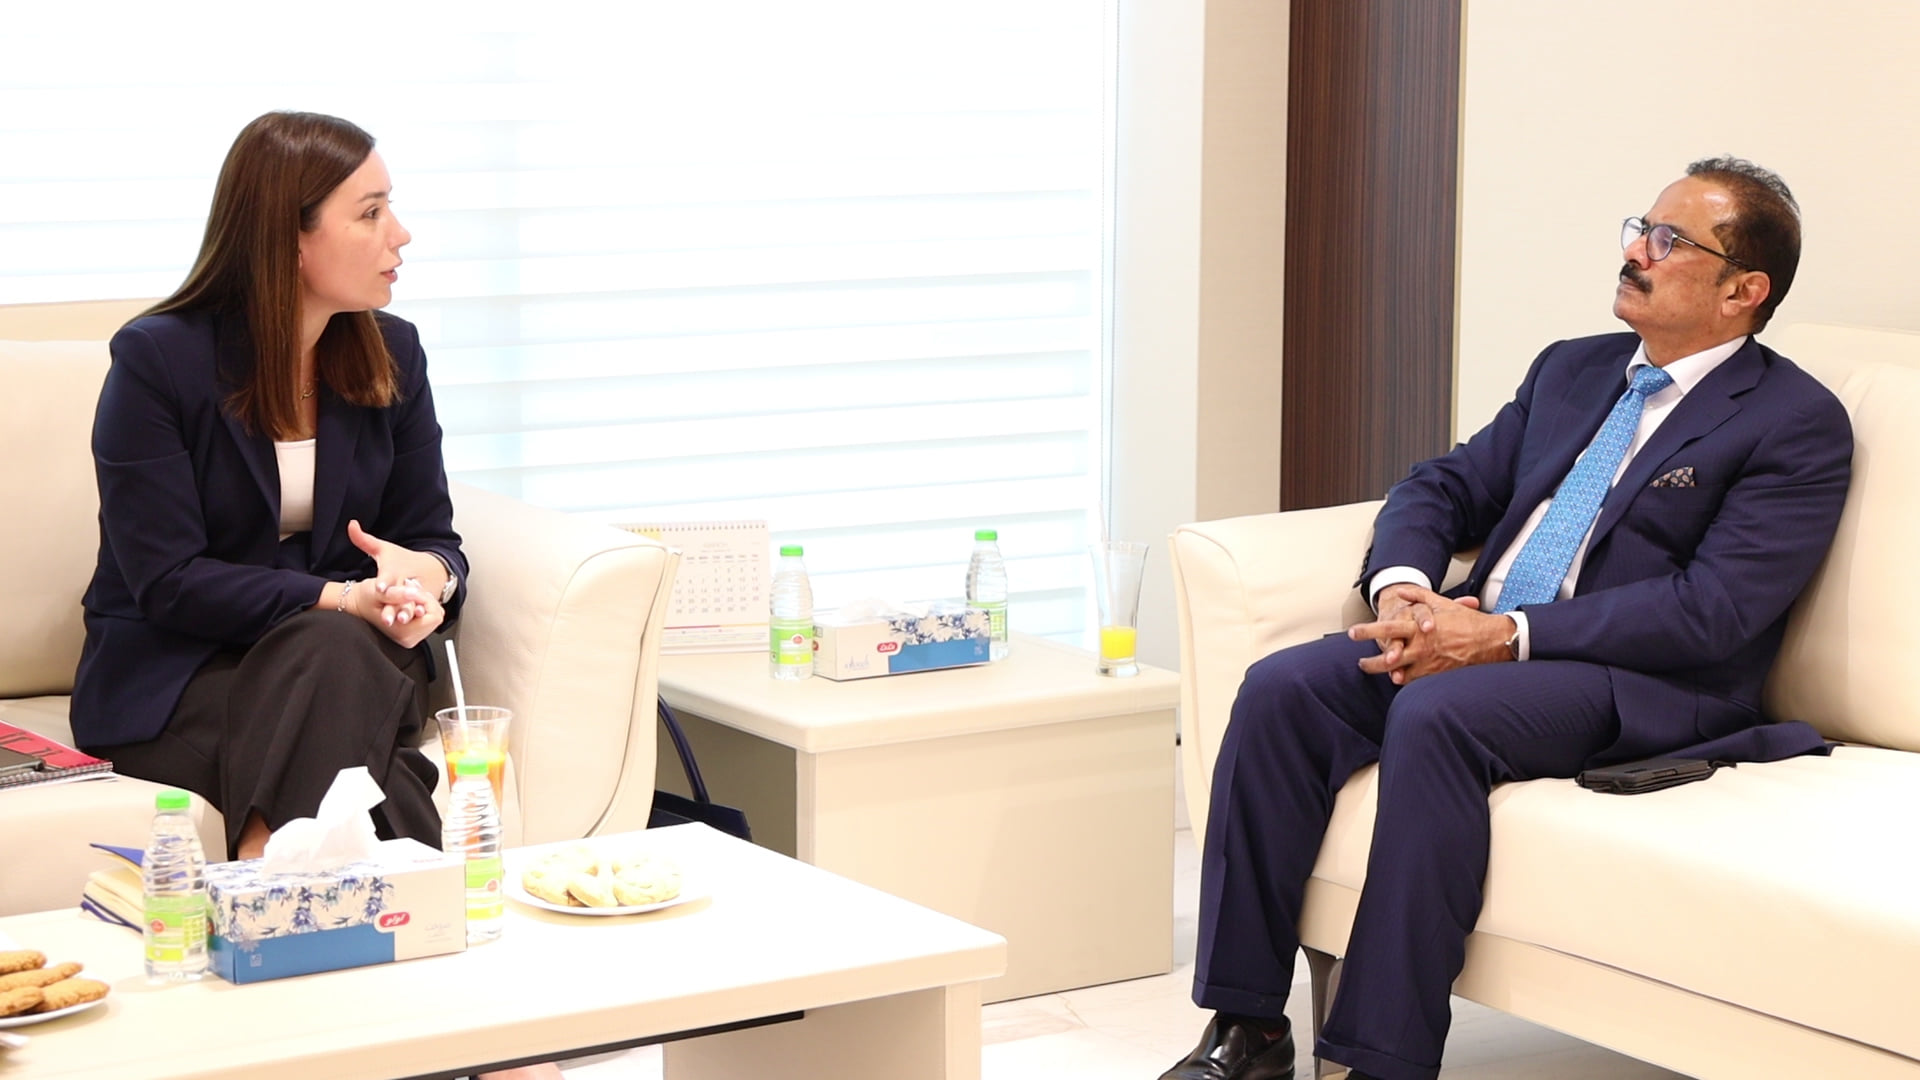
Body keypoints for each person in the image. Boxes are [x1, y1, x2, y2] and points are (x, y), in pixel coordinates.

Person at [1160, 157, 1852, 1080]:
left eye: (1669, 242)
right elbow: (1441, 488)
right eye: (1640, 229)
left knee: (1438, 713)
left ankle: (1382, 1059)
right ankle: (1248, 1031)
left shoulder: (1794, 421)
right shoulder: (1574, 369)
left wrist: (1504, 636)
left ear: (1742, 291)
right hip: (1480, 639)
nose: (1636, 254)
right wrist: (1405, 592)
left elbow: (1713, 611)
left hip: (1645, 685)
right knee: (1284, 689)